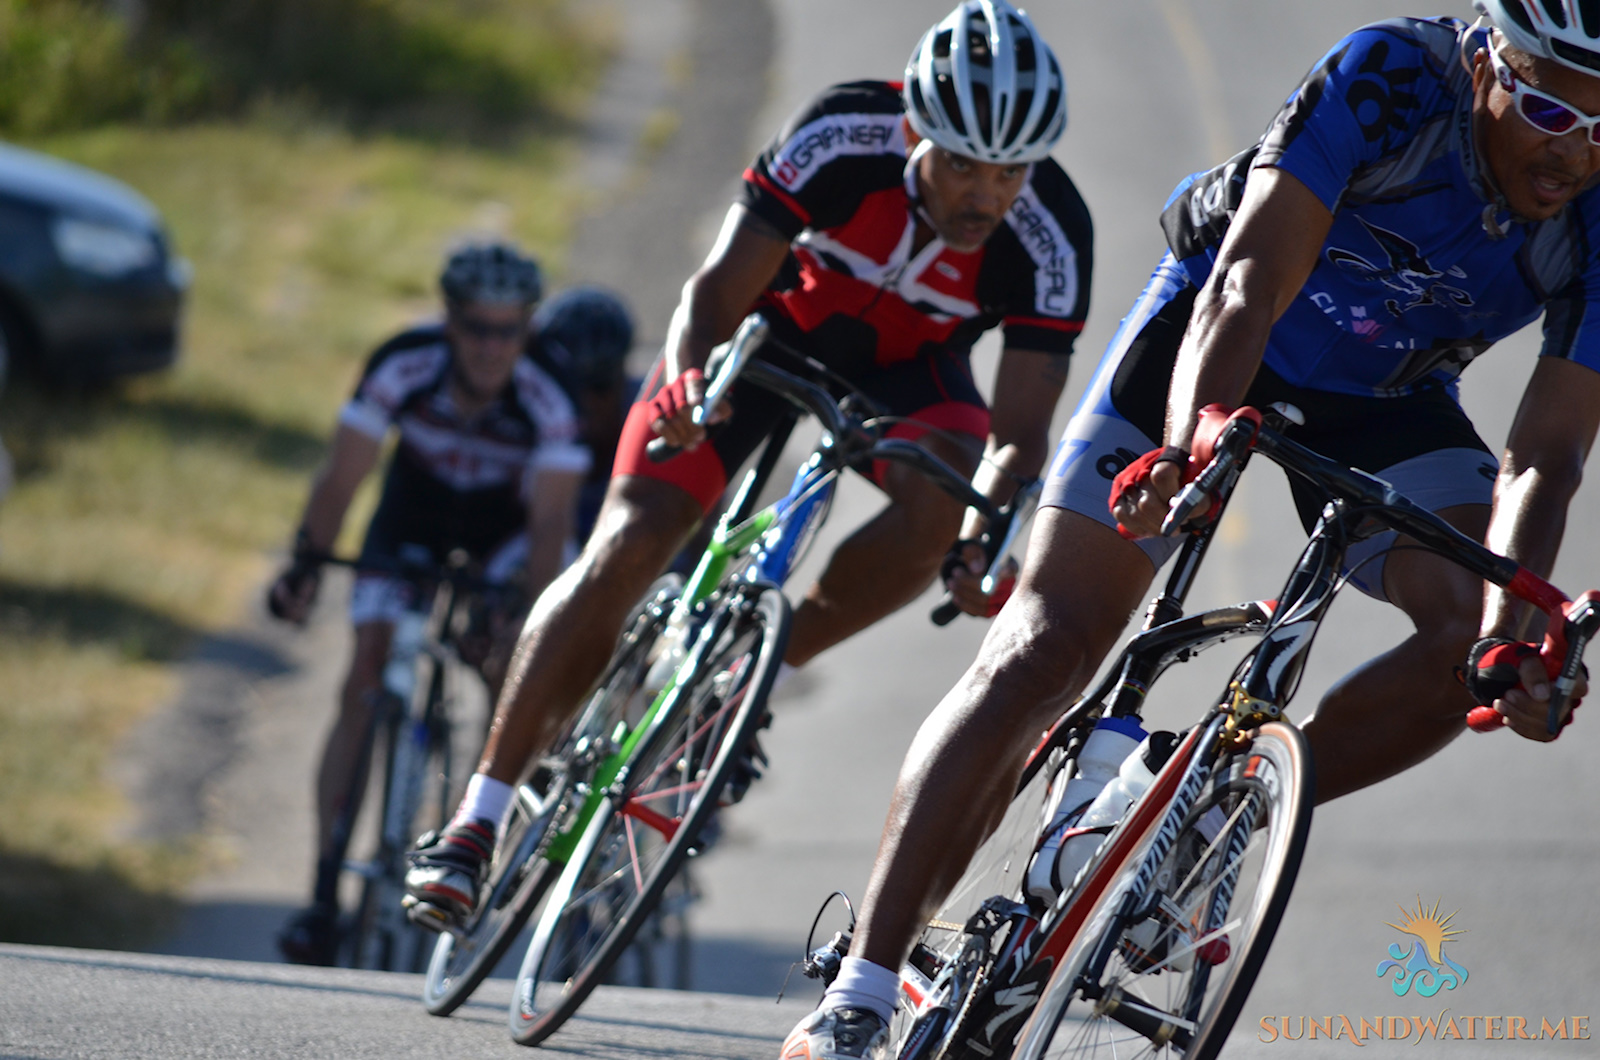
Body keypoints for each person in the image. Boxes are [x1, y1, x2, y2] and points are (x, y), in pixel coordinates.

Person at [783, 4, 1600, 1057]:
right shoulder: (1393, 75)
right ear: (1486, 60)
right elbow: (1250, 280)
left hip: (1387, 398)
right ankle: (860, 986)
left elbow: (1547, 451)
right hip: (1214, 337)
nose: (1573, 148)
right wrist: (1184, 446)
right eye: (1544, 106)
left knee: (1460, 638)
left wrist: (1506, 633)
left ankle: (1219, 809)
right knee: (1044, 644)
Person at [402, 0, 1090, 974]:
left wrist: (989, 533)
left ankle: (750, 681)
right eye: (963, 164)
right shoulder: (841, 135)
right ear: (915, 131)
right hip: (765, 337)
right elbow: (713, 294)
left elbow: (1020, 432)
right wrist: (687, 382)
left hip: (907, 376)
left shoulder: (1051, 235)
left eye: (1010, 171)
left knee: (945, 505)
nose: (986, 193)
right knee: (631, 540)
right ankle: (474, 825)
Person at [267, 242, 594, 966]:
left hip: (502, 538)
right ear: (449, 322)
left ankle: (478, 848)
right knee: (364, 679)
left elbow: (549, 526)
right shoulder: (402, 362)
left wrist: (525, 615)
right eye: (476, 328)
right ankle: (323, 891)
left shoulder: (550, 390)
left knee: (509, 668)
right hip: (409, 524)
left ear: (529, 330)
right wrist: (306, 563)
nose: (490, 347)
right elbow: (343, 476)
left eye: (508, 331)